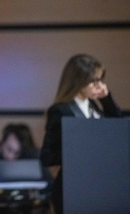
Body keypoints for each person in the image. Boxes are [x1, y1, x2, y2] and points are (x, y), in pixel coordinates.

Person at [40, 53, 122, 214]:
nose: (99, 85)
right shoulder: (60, 110)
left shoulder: (93, 105)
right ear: (79, 80)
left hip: (99, 183)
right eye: (94, 81)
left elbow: (117, 130)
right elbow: (49, 154)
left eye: (100, 79)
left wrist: (106, 100)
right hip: (74, 186)